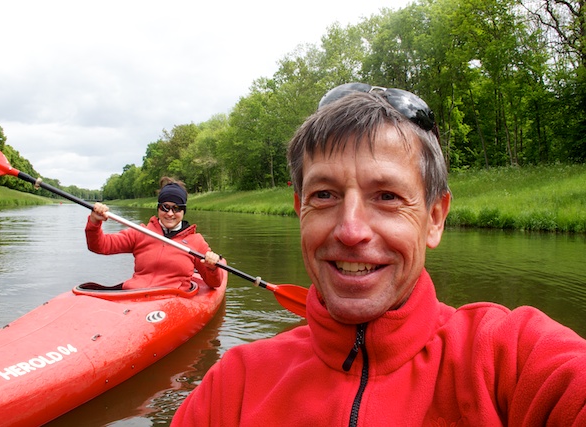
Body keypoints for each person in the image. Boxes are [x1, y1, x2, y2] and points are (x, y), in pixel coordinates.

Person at [172, 83, 586, 426]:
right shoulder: (233, 386)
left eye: (387, 196)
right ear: (300, 209)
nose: (351, 230)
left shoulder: (510, 357)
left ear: (435, 217)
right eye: (325, 195)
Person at [85, 176, 224, 290]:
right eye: (165, 207)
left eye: (177, 208)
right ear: (158, 208)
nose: (170, 213)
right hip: (133, 296)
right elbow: (99, 246)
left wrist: (212, 268)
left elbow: (214, 283)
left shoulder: (196, 242)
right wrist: (94, 222)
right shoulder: (140, 233)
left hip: (172, 301)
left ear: (183, 211)